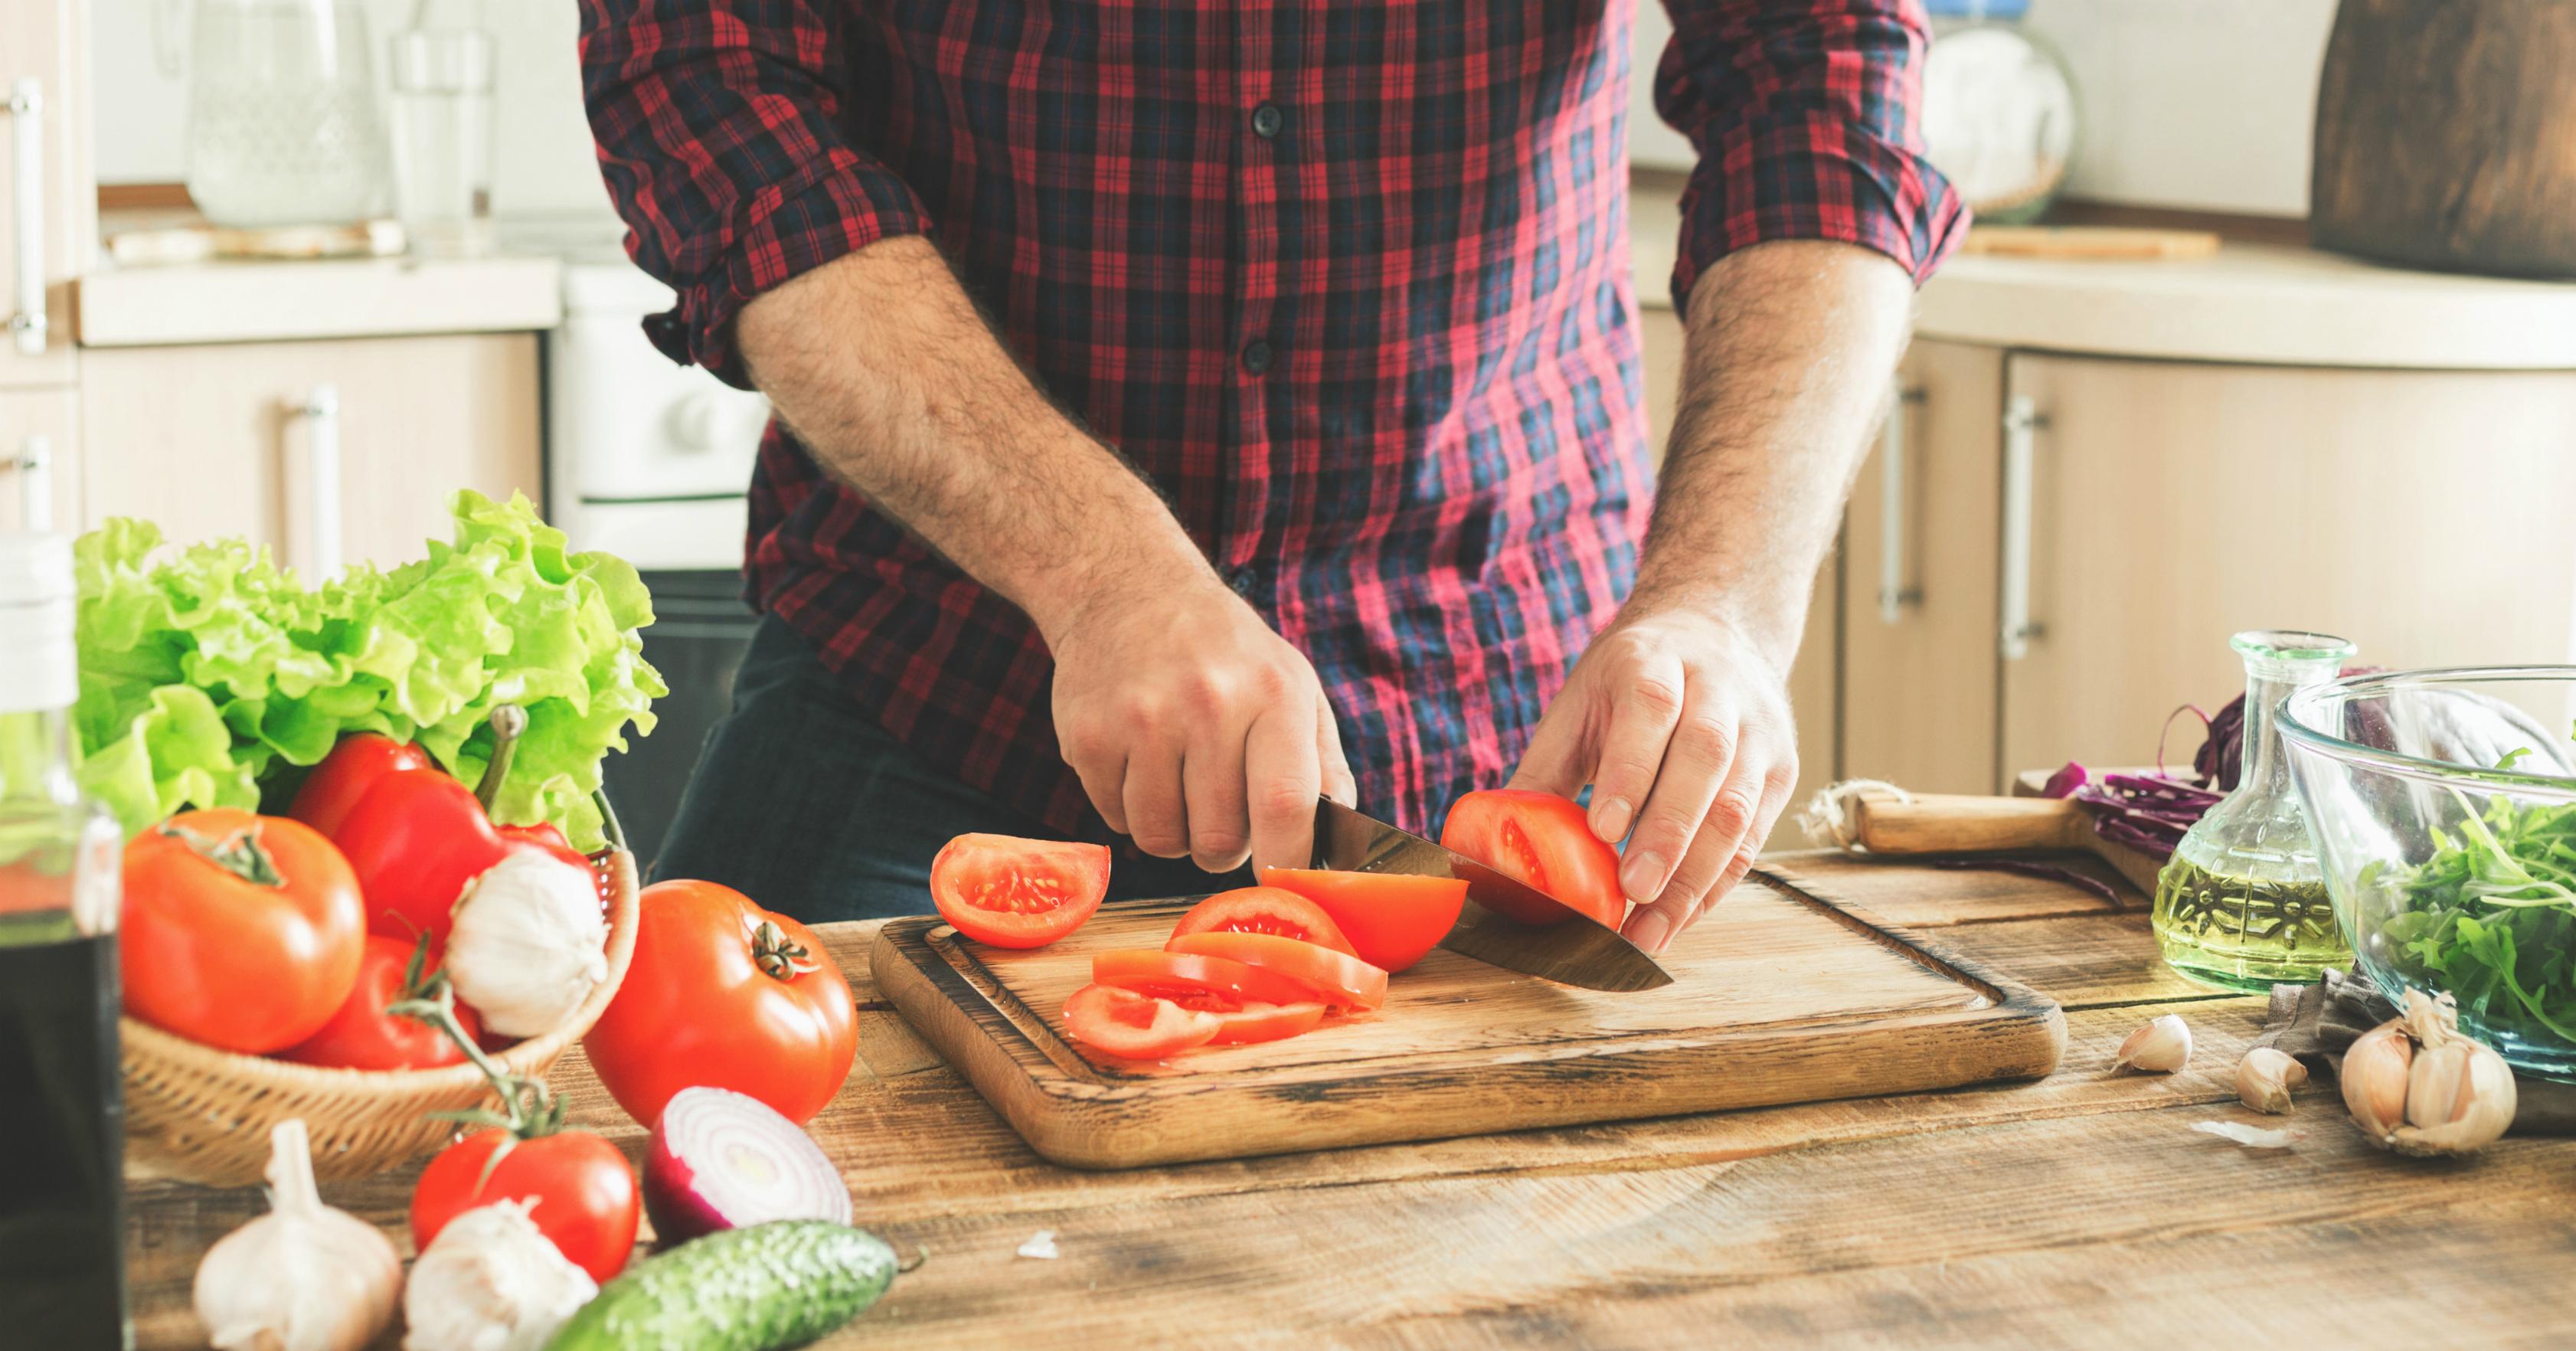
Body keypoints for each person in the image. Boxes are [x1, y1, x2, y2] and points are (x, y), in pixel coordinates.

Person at [579, 0, 1963, 947]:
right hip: (931, 686)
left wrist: (1723, 602)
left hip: (1511, 727)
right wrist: (1101, 572)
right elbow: (712, 85)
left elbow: (1820, 83)